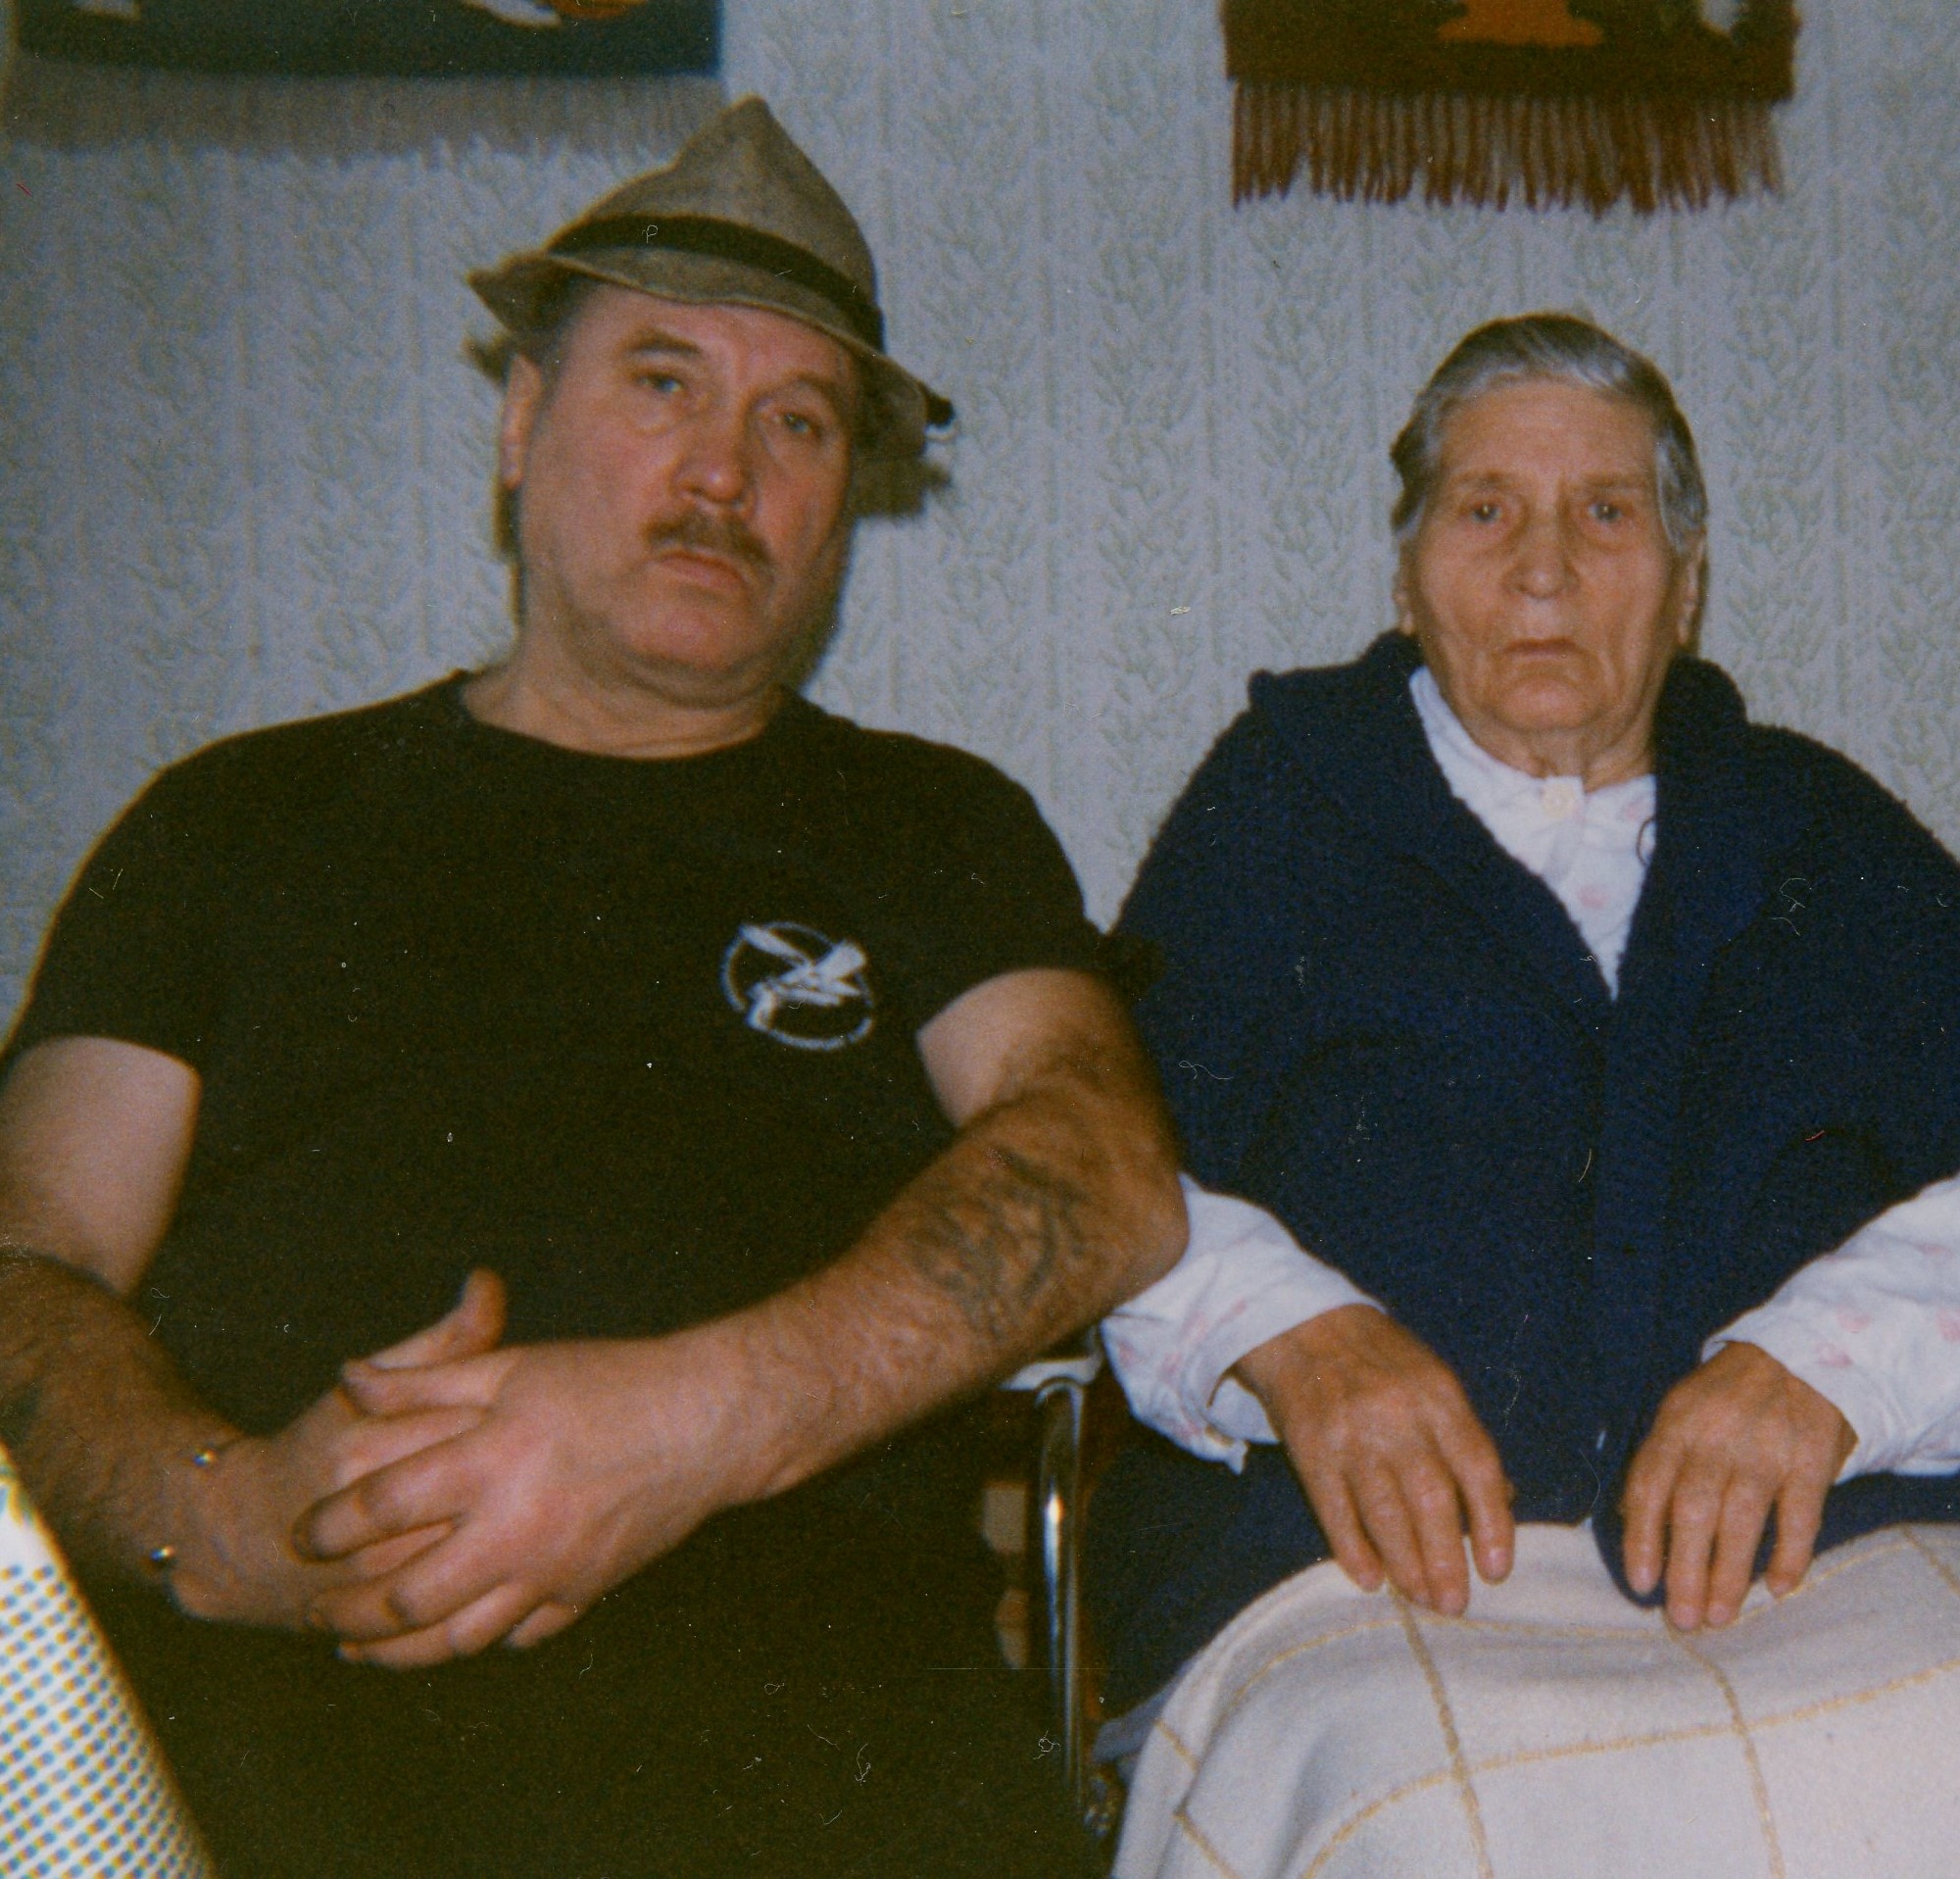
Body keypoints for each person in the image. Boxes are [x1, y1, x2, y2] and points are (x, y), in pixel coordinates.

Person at [0, 99, 1183, 1878]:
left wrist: (676, 1430)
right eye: (661, 382)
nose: (723, 472)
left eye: (797, 421)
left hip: (824, 1751)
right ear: (520, 422)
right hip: (273, 1746)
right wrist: (224, 1524)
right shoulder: (231, 821)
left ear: (845, 502)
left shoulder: (931, 826)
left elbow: (1102, 1170)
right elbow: (25, 1257)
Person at [1089, 315, 1960, 1876]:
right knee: (1422, 1808)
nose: (1542, 568)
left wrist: (1823, 1360)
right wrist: (1291, 1332)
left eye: (1606, 511)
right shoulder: (1277, 808)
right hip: (1373, 1555)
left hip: (1835, 1542)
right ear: (1406, 575)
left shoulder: (1809, 825)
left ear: (1686, 585)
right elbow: (1088, 1160)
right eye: (1485, 508)